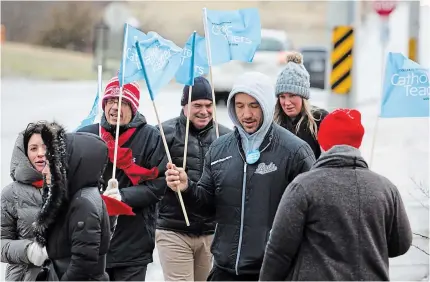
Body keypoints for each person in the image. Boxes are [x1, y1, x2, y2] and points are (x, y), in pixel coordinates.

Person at [165, 72, 315, 281]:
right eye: (240, 105)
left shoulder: (295, 151)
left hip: (273, 272)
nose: (246, 114)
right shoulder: (219, 148)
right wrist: (186, 188)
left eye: (254, 105)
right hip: (225, 270)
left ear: (267, 105)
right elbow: (207, 207)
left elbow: (312, 214)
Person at [259, 109, 413, 281]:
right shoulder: (386, 189)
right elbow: (400, 245)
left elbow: (279, 250)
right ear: (357, 144)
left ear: (322, 142)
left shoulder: (303, 187)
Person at [77, 75, 166, 281]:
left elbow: (157, 187)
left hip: (133, 244)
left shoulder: (150, 137)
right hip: (92, 244)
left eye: (123, 102)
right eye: (110, 101)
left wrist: (122, 196)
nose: (115, 107)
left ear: (134, 107)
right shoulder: (87, 136)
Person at [156, 77, 232, 281]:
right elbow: (150, 181)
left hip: (211, 233)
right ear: (184, 106)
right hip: (173, 230)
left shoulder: (226, 137)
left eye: (209, 105)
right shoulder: (163, 134)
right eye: (197, 105)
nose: (204, 111)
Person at [32, 122, 119, 280]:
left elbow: (82, 267)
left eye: (51, 165)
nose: (44, 171)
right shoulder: (76, 197)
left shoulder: (83, 204)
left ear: (70, 165)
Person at [1, 122, 51, 281]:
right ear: (24, 153)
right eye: (34, 148)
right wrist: (28, 251)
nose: (41, 153)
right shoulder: (11, 193)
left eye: (45, 147)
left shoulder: (67, 188)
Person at [274, 52, 328, 159]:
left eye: (292, 95)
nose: (287, 102)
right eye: (282, 96)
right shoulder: (274, 124)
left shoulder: (320, 120)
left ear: (303, 97)